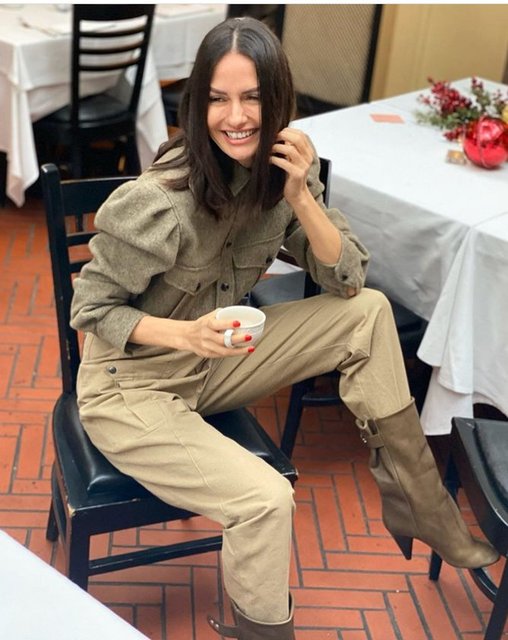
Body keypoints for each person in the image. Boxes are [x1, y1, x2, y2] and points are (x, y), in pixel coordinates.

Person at [70, 17, 498, 640]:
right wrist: (186, 335)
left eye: (252, 97)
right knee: (266, 500)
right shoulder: (158, 201)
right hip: (129, 387)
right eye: (217, 98)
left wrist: (301, 197)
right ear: (197, 106)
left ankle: (419, 503)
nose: (235, 117)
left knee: (368, 312)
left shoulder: (285, 170)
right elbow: (90, 309)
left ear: (278, 100)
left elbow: (347, 278)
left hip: (212, 363)